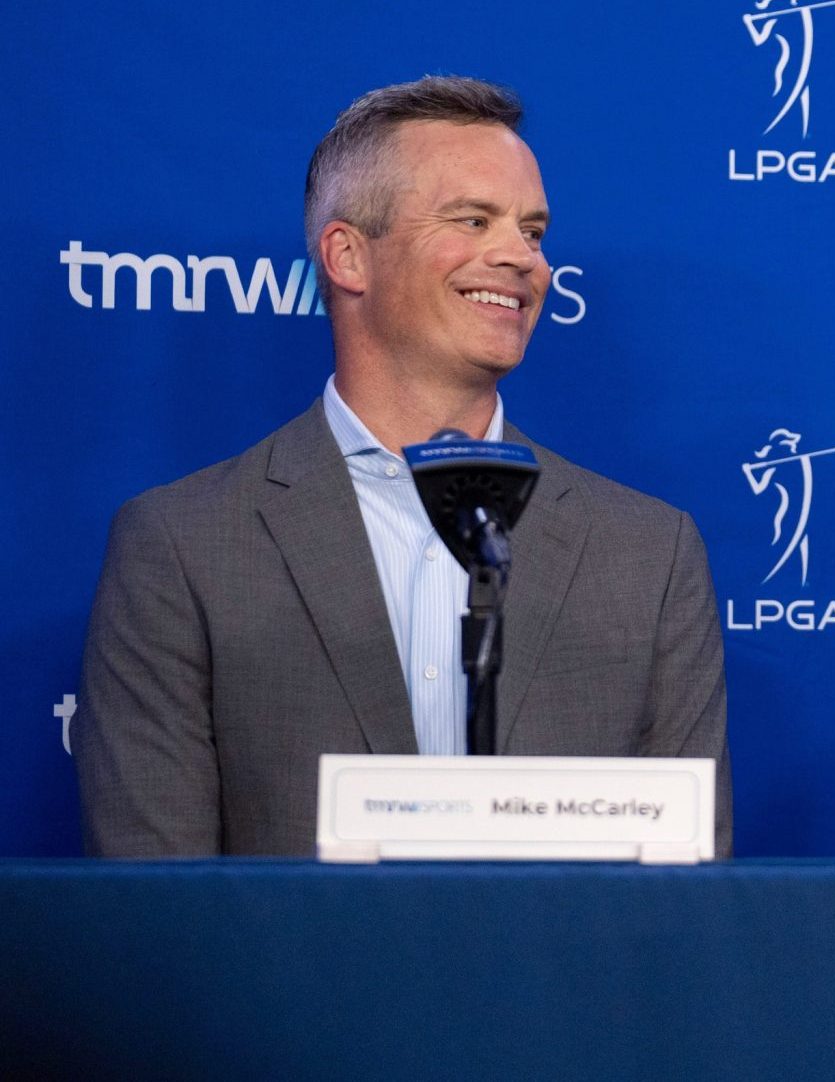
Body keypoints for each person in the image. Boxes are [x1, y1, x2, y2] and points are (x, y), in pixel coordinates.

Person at [72, 77, 730, 857]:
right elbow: (156, 904)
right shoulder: (183, 546)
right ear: (348, 255)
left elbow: (685, 904)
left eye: (534, 230)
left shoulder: (649, 555)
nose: (520, 257)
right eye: (473, 220)